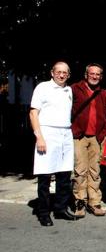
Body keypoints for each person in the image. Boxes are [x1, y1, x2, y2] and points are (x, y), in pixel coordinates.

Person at [30, 62, 77, 226]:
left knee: (64, 174)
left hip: (65, 133)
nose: (62, 75)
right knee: (45, 175)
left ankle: (60, 209)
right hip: (47, 133)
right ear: (52, 72)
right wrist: (39, 137)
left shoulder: (69, 90)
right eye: (59, 72)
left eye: (65, 73)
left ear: (68, 75)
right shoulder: (42, 88)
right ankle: (43, 213)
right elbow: (33, 113)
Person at [71, 63, 106, 217]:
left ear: (100, 76)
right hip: (79, 137)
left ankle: (94, 202)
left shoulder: (103, 93)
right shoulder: (75, 89)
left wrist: (103, 134)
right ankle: (79, 201)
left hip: (96, 137)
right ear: (86, 74)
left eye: (98, 74)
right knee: (80, 170)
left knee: (95, 171)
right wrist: (73, 130)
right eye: (92, 73)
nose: (95, 76)